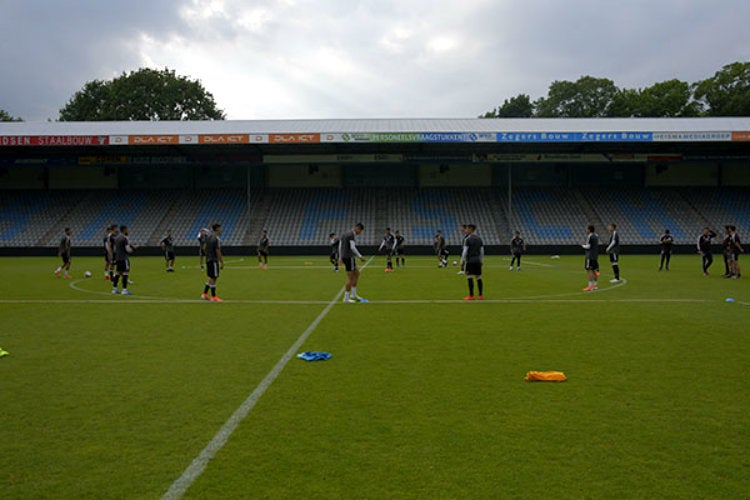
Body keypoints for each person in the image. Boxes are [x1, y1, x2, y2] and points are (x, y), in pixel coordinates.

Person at [339, 222, 366, 303]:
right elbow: (352, 247)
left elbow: (340, 246)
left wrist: (340, 257)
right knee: (350, 277)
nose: (359, 233)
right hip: (349, 257)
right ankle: (346, 298)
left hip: (345, 257)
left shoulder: (345, 233)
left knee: (357, 273)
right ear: (357, 228)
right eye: (360, 231)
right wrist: (360, 256)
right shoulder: (351, 235)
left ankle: (354, 294)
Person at [201, 223, 224, 302]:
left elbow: (204, 248)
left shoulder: (209, 237)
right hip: (213, 260)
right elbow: (218, 251)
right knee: (214, 277)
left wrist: (208, 254)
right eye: (220, 229)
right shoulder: (216, 238)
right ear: (217, 229)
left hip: (208, 259)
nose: (221, 230)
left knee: (211, 277)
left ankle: (205, 294)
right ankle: (214, 296)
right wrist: (221, 262)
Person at [112, 225, 137, 295]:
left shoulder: (116, 238)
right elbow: (128, 250)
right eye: (127, 229)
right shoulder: (124, 238)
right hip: (123, 258)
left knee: (117, 273)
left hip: (118, 258)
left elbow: (114, 249)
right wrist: (134, 249)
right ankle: (124, 290)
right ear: (124, 230)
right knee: (125, 273)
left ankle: (114, 289)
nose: (128, 231)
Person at [461, 224, 484, 300]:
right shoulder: (479, 239)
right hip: (477, 260)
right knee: (478, 277)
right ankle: (480, 295)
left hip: (470, 260)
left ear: (471, 229)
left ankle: (471, 296)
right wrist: (481, 261)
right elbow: (482, 251)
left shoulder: (467, 239)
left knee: (469, 276)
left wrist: (462, 261)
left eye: (467, 229)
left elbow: (465, 251)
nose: (466, 230)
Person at [581, 225, 599, 291]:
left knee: (589, 270)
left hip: (590, 256)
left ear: (589, 230)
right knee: (594, 270)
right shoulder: (596, 236)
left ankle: (590, 286)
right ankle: (595, 285)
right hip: (595, 255)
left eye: (587, 229)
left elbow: (588, 246)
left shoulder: (590, 236)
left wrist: (582, 245)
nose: (586, 230)